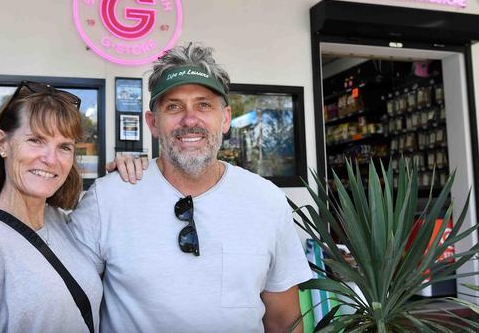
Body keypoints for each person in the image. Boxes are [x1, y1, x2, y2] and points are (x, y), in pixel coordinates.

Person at [70, 43, 313, 332]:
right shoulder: (108, 198)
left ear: (224, 119)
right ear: (153, 123)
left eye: (204, 104)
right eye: (174, 106)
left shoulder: (268, 201)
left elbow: (284, 321)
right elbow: (66, 305)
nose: (189, 119)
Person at [0, 81, 144, 332]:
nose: (50, 159)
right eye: (36, 140)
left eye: (64, 146)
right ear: (2, 143)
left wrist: (127, 173)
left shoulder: (59, 221)